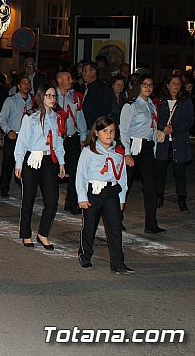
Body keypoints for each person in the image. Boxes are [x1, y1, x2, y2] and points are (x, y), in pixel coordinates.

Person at [76, 116, 133, 274]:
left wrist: (122, 198)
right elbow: (81, 175)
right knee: (90, 226)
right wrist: (82, 196)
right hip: (94, 191)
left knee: (115, 228)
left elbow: (122, 177)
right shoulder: (89, 151)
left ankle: (118, 263)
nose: (109, 134)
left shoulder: (118, 152)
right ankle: (85, 255)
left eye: (112, 131)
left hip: (112, 193)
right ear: (96, 133)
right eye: (105, 131)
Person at [14, 84, 66, 249]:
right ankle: (25, 234)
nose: (52, 99)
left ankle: (43, 233)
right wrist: (18, 163)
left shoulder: (56, 118)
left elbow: (58, 142)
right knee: (28, 198)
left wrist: (62, 162)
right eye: (48, 96)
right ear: (41, 97)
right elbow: (21, 141)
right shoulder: (30, 117)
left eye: (54, 96)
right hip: (31, 159)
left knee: (52, 200)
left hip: (48, 160)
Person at [120, 75, 165, 234]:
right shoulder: (130, 106)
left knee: (151, 186)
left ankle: (151, 224)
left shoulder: (152, 105)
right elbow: (123, 131)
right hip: (133, 147)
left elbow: (152, 132)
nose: (148, 88)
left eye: (151, 85)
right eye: (145, 84)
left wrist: (153, 151)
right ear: (139, 86)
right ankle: (116, 218)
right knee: (125, 185)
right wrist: (127, 153)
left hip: (146, 148)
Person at [155, 75, 194, 212]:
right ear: (167, 85)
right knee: (160, 170)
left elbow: (190, 121)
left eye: (179, 83)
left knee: (180, 172)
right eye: (173, 83)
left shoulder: (186, 101)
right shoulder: (160, 101)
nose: (176, 86)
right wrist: (162, 127)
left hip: (179, 141)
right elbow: (154, 118)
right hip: (163, 142)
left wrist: (174, 129)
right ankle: (158, 196)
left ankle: (182, 198)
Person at [56, 70, 87, 215]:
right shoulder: (51, 95)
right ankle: (50, 199)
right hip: (55, 140)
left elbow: (80, 118)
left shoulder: (75, 97)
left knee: (75, 170)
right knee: (52, 170)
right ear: (59, 80)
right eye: (68, 78)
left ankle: (71, 202)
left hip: (71, 138)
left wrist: (82, 137)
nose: (71, 80)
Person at [0, 76, 33, 197]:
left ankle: (26, 188)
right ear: (18, 86)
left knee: (27, 164)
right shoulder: (11, 100)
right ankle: (4, 188)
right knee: (8, 163)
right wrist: (8, 131)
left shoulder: (33, 101)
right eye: (23, 83)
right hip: (14, 136)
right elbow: (2, 118)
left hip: (28, 138)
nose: (26, 85)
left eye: (28, 83)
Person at [82, 61, 114, 129]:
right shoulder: (83, 87)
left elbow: (106, 109)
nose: (83, 73)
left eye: (85, 71)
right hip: (84, 126)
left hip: (96, 127)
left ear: (93, 71)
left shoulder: (103, 89)